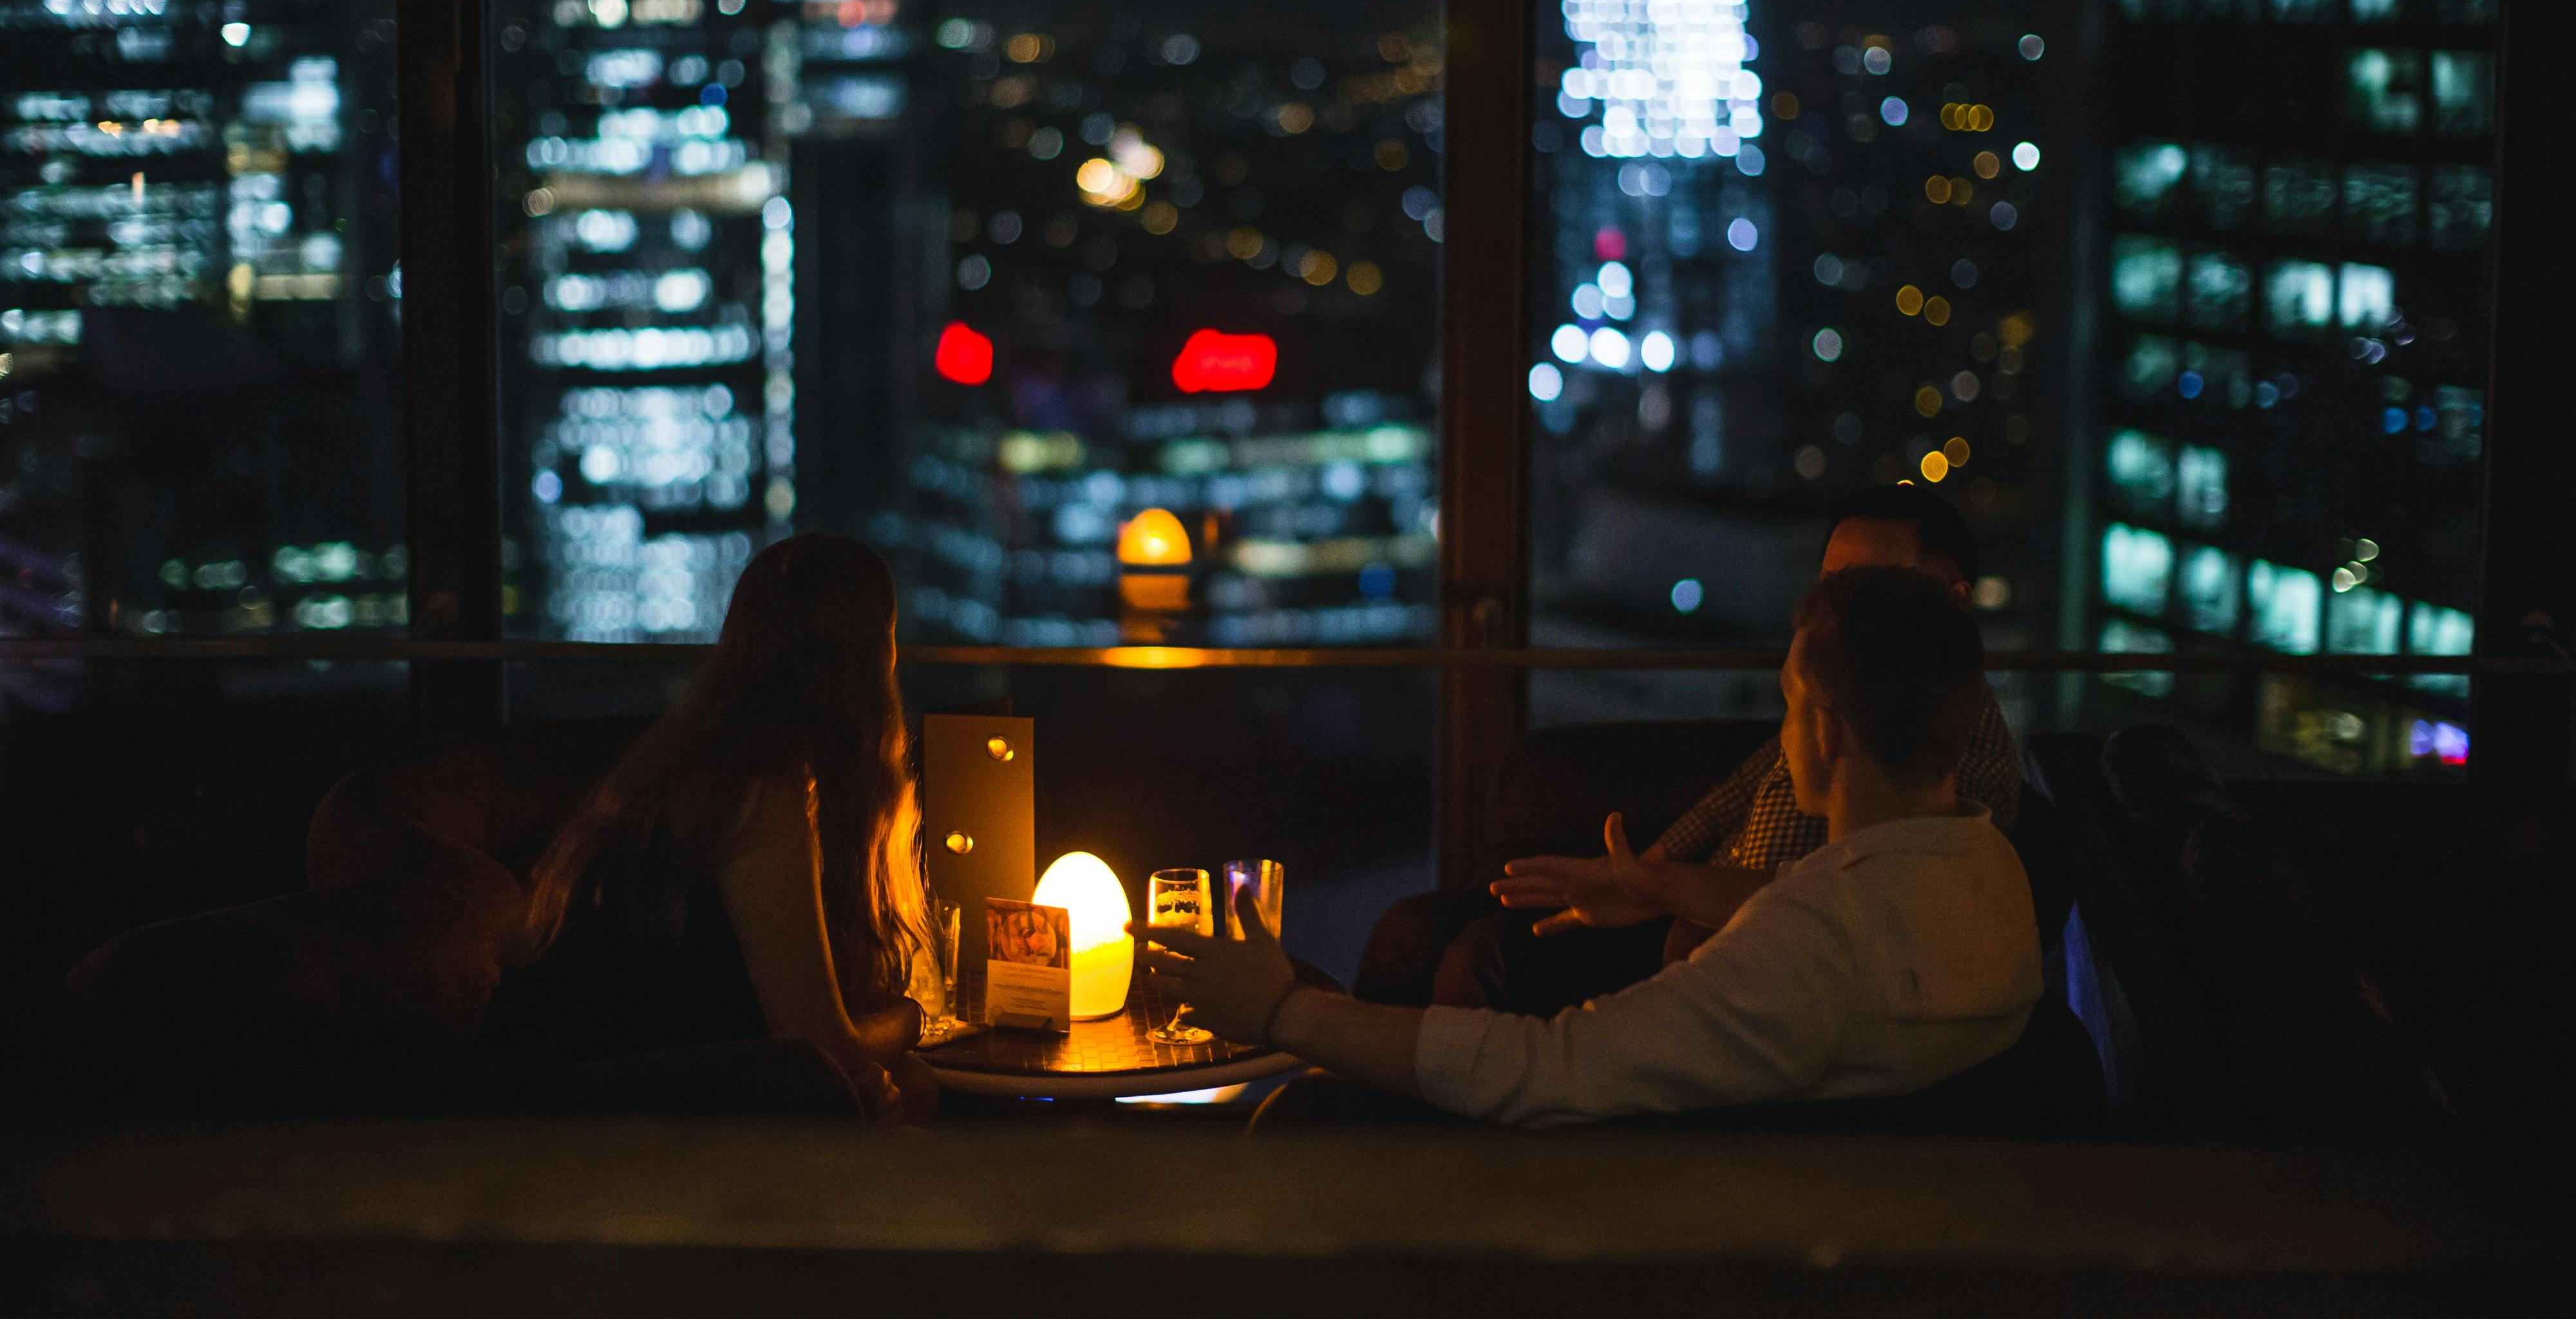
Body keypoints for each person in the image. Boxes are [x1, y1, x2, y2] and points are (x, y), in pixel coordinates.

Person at [1146, 565, 2041, 1128]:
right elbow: (1842, 912)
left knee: (1305, 1115)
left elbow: (1547, 1068)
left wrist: (1281, 1012)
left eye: (1788, 701)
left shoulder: (1811, 947)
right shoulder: (1990, 873)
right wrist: (1668, 889)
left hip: (1665, 1201)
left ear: (1829, 728)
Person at [1432, 482, 2020, 1016]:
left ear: (1952, 600)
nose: (1840, 609)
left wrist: (1662, 892)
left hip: (1724, 947)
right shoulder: (1836, 700)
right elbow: (1739, 791)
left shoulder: (1939, 758)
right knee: (1434, 926)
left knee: (1482, 957)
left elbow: (1862, 911)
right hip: (1694, 912)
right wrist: (1643, 870)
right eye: (1832, 585)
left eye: (1873, 587)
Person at [480, 534, 933, 1119]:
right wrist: (915, 1017)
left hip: (570, 1073)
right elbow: (817, 1043)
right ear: (876, 656)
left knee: (909, 1084)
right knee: (913, 1087)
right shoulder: (763, 789)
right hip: (596, 1102)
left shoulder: (689, 761)